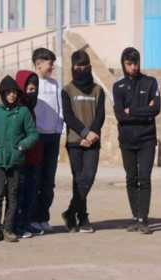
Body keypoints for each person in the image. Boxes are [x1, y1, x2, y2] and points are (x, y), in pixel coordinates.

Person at [0, 76, 38, 243]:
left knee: (12, 195)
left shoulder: (23, 111)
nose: (12, 95)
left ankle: (8, 229)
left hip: (15, 160)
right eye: (8, 92)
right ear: (2, 93)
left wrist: (22, 146)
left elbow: (33, 133)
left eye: (14, 92)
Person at [113, 47, 161, 234]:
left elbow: (155, 109)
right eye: (129, 64)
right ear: (123, 64)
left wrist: (131, 110)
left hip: (147, 139)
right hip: (127, 139)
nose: (133, 67)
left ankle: (143, 218)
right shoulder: (118, 86)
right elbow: (119, 116)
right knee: (131, 178)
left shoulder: (150, 82)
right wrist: (142, 111)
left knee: (145, 178)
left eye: (135, 63)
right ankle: (135, 216)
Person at [61, 50, 105, 233]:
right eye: (78, 67)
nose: (81, 70)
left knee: (88, 178)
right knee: (78, 180)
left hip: (93, 141)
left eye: (84, 67)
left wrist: (92, 134)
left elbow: (100, 114)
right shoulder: (67, 90)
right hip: (75, 142)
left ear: (90, 68)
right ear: (73, 68)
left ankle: (71, 212)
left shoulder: (98, 90)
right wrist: (85, 133)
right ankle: (83, 217)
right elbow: (68, 116)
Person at [30, 47, 63, 235]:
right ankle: (32, 219)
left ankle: (43, 218)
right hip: (37, 137)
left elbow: (60, 109)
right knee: (35, 179)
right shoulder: (31, 83)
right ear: (38, 64)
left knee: (48, 182)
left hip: (53, 137)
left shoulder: (54, 85)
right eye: (50, 63)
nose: (52, 67)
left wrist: (59, 130)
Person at [13, 70, 43, 238]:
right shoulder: (18, 107)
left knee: (31, 192)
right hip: (21, 157)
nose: (32, 93)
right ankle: (16, 225)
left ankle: (25, 223)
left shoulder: (30, 107)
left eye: (34, 90)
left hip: (33, 157)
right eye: (30, 89)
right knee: (20, 193)